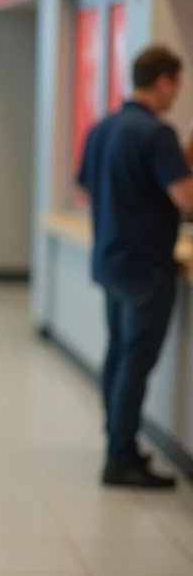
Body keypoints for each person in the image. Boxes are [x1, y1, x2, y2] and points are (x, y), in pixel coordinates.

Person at [78, 46, 193, 489]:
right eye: (177, 84)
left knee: (118, 354)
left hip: (112, 259)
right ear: (162, 81)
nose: (177, 94)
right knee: (135, 362)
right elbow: (184, 197)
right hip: (147, 266)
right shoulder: (157, 134)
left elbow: (85, 187)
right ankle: (121, 457)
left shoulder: (104, 127)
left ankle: (118, 442)